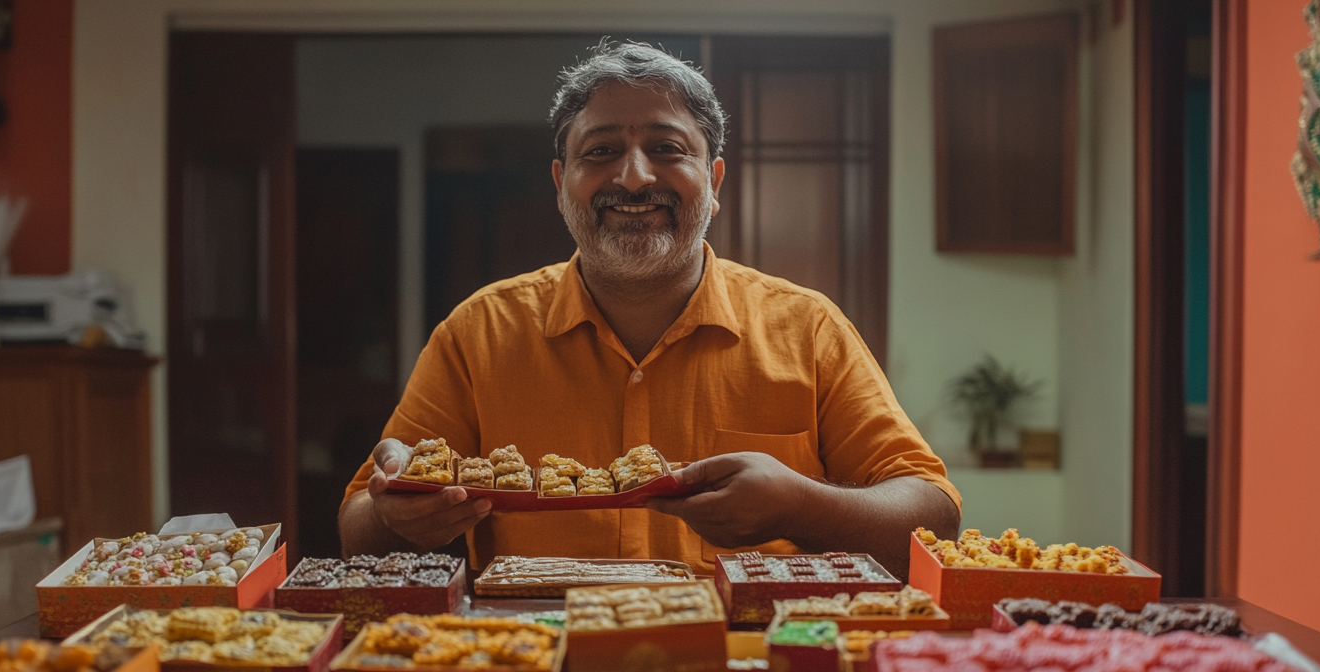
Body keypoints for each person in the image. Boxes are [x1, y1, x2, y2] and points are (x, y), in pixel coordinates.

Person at [340, 41, 960, 578]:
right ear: (560, 185)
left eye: (667, 148)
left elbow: (934, 513)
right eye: (601, 151)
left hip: (748, 662)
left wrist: (799, 505)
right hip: (539, 659)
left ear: (714, 182)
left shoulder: (807, 327)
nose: (634, 178)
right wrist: (398, 511)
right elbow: (357, 529)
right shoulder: (480, 331)